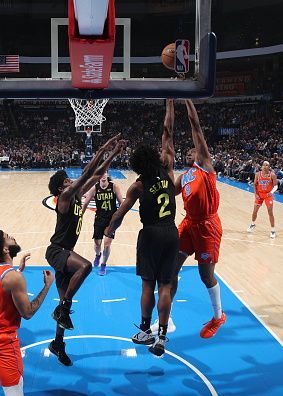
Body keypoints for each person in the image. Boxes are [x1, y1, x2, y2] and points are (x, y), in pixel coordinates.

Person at [103, 99, 178, 357]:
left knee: (148, 286)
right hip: (171, 232)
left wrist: (110, 230)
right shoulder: (167, 166)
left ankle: (146, 330)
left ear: (136, 165)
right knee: (165, 286)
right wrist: (170, 103)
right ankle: (163, 336)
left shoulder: (138, 186)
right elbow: (167, 132)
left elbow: (120, 213)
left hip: (150, 234)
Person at [45, 134, 124, 365]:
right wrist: (104, 148)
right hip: (58, 250)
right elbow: (89, 172)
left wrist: (114, 154)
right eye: (68, 179)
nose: (72, 180)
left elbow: (97, 175)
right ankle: (64, 309)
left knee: (62, 305)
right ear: (62, 186)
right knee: (87, 266)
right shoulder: (65, 197)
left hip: (64, 252)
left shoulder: (76, 195)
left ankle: (57, 343)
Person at [0, 230, 54, 396]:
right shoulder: (13, 278)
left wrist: (18, 270)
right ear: (5, 250)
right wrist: (47, 286)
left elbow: (3, 284)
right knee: (15, 389)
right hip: (1, 339)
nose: (11, 236)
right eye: (7, 237)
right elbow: (28, 313)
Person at [174, 99, 226, 339]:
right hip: (189, 224)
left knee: (205, 275)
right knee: (170, 267)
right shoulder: (184, 176)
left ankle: (218, 317)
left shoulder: (205, 166)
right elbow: (167, 191)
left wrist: (186, 98)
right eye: (187, 151)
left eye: (192, 149)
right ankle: (165, 318)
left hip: (207, 226)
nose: (189, 151)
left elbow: (196, 127)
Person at [81, 170, 123, 276]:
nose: (103, 175)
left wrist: (119, 217)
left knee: (107, 244)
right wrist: (79, 216)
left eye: (105, 173)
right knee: (97, 243)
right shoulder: (94, 189)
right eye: (101, 173)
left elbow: (122, 203)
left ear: (107, 174)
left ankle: (103, 264)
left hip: (111, 220)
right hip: (99, 219)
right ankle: (98, 255)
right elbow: (85, 204)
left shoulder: (114, 187)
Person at [247, 161, 278, 238]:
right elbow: (254, 184)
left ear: (269, 167)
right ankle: (253, 224)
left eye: (267, 165)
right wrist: (256, 194)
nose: (265, 166)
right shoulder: (258, 174)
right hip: (260, 194)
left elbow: (276, 186)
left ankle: (273, 230)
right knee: (255, 211)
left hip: (268, 195)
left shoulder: (272, 175)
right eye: (264, 165)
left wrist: (271, 192)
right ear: (262, 166)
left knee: (270, 212)